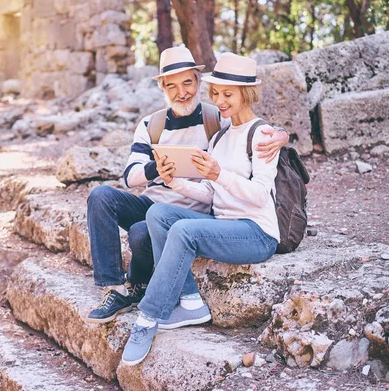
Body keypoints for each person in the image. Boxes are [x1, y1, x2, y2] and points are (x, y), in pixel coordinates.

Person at [86, 47, 288, 324]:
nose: (182, 92)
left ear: (197, 81)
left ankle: (144, 287)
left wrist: (281, 135)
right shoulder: (151, 124)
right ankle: (117, 288)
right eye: (172, 86)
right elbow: (130, 176)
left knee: (140, 233)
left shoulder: (215, 117)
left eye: (188, 83)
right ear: (163, 88)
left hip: (197, 209)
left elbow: (250, 126)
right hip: (155, 201)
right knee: (101, 196)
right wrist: (158, 169)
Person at [121, 52, 281, 365]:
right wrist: (175, 182)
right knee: (158, 214)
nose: (220, 101)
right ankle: (192, 301)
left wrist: (219, 174)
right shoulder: (220, 136)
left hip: (256, 232)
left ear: (246, 94)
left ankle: (148, 318)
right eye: (216, 93)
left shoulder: (261, 135)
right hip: (224, 226)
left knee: (183, 229)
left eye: (228, 94)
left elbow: (262, 196)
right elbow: (209, 193)